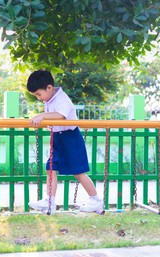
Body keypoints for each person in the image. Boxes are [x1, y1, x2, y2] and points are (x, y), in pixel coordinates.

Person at [27, 70, 103, 214]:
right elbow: (55, 118)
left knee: (78, 172)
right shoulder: (48, 99)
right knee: (50, 168)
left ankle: (96, 201)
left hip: (70, 137)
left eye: (38, 94)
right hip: (57, 137)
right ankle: (50, 202)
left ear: (49, 88)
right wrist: (48, 122)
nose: (38, 98)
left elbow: (61, 115)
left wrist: (42, 116)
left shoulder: (62, 98)